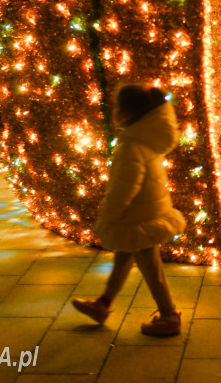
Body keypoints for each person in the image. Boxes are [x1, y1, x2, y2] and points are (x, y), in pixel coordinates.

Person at [72, 84, 186, 336]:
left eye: (117, 108)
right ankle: (103, 304)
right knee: (124, 257)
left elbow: (123, 189)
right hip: (147, 212)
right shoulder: (146, 139)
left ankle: (169, 315)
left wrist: (107, 218)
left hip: (138, 219)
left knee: (151, 269)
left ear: (127, 114)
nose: (113, 111)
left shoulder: (131, 147)